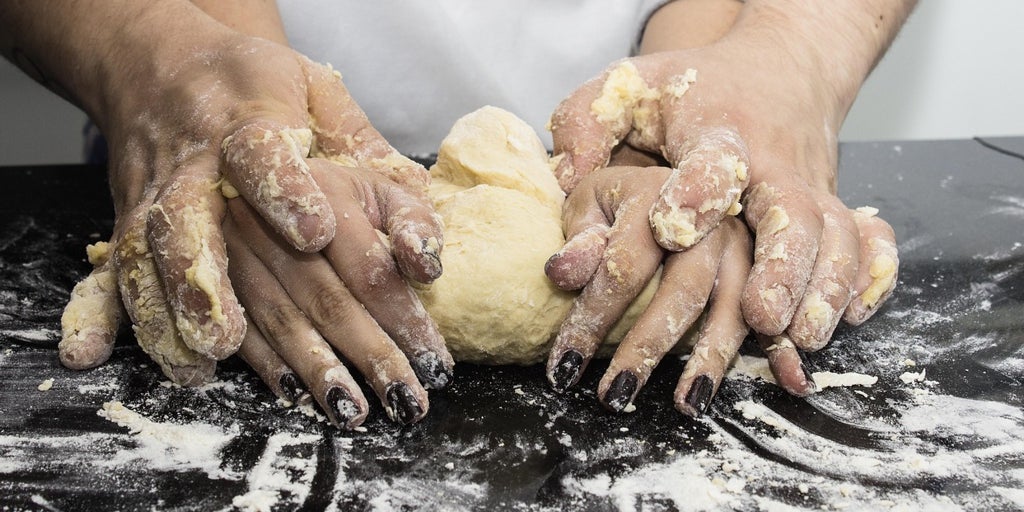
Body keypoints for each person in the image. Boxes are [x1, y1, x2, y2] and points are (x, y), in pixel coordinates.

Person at [0, 0, 906, 428]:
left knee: (699, 212)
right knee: (246, 189)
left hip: (645, 148)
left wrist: (756, 72)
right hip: (220, 97)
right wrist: (160, 58)